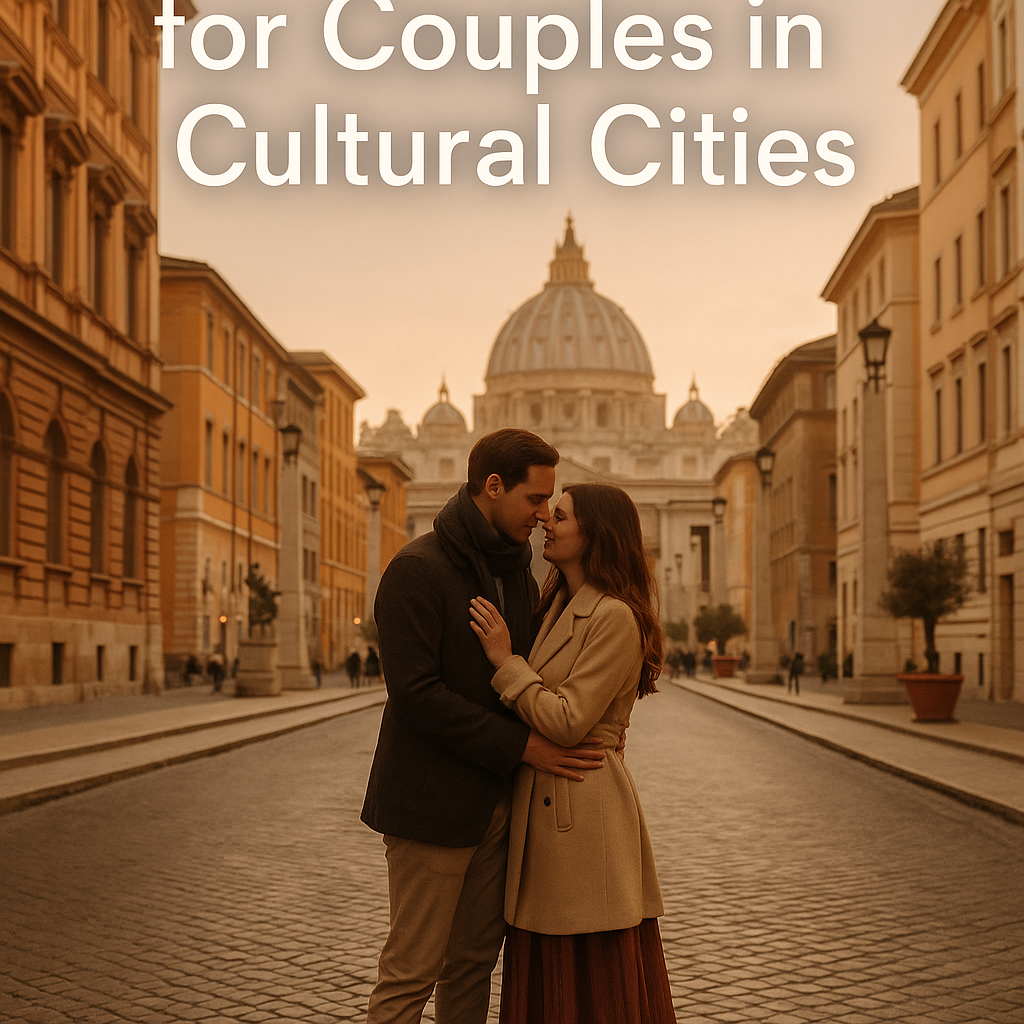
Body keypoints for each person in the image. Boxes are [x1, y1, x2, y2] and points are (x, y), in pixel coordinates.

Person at [361, 429, 606, 1024]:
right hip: (430, 806)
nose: (544, 514)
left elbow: (530, 672)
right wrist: (524, 745)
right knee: (411, 972)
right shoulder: (415, 569)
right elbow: (416, 697)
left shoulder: (518, 574)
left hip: (496, 805)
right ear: (493, 487)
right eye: (535, 499)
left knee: (472, 966)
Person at [469, 482, 675, 1024]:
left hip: (582, 809)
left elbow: (568, 719)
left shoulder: (615, 616)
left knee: (587, 974)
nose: (546, 521)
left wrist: (505, 662)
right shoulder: (556, 603)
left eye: (559, 516)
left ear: (595, 534)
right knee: (550, 965)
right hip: (551, 805)